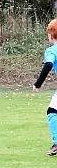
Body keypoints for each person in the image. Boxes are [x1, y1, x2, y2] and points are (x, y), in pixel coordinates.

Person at [33, 18, 57, 156]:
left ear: (50, 35)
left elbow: (48, 65)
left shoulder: (52, 50)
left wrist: (38, 84)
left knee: (52, 111)